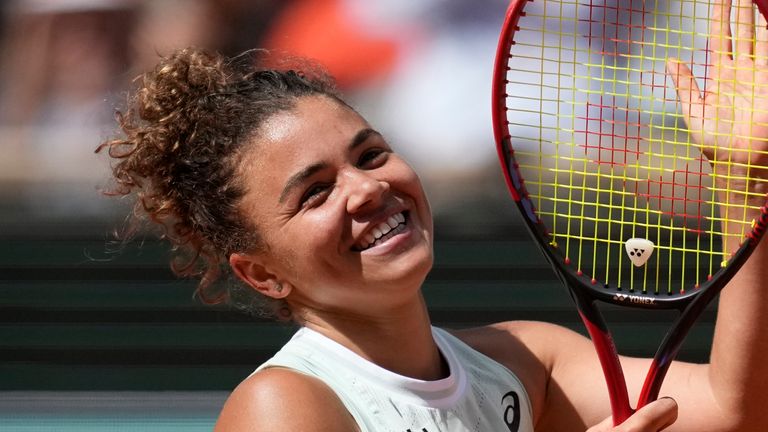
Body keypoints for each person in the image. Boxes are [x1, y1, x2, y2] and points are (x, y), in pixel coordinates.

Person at [97, 0, 768, 430]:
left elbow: (742, 407)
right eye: (315, 193)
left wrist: (747, 178)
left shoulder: (521, 359)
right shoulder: (282, 408)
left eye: (371, 153)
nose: (365, 189)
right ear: (261, 272)